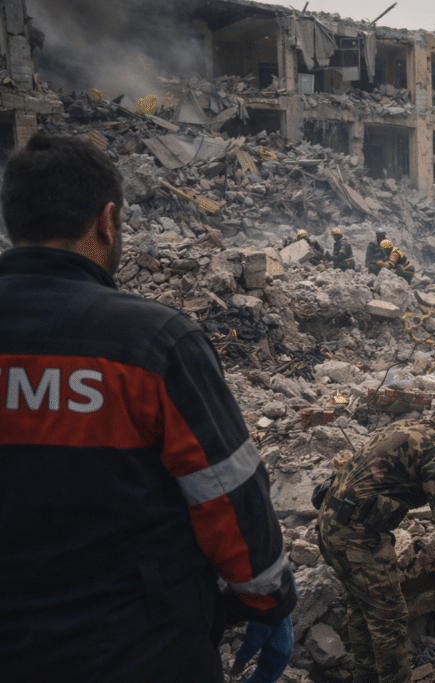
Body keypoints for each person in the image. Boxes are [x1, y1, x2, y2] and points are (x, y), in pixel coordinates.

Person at [0, 134, 297, 682]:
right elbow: (226, 492)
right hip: (139, 648)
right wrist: (268, 601)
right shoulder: (152, 343)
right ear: (107, 220)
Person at [317, 395, 435, 683]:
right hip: (357, 538)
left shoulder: (407, 427)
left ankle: (365, 677)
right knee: (389, 619)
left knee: (363, 608)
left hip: (331, 524)